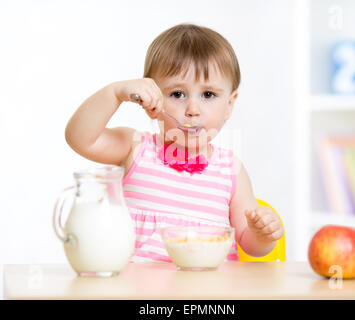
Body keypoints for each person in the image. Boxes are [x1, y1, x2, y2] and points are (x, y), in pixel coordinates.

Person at [65, 23, 284, 262]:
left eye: (208, 95)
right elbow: (80, 138)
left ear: (229, 105)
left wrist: (263, 235)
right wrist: (115, 93)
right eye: (177, 94)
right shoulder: (135, 148)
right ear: (151, 99)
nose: (192, 110)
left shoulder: (231, 170)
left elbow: (249, 243)